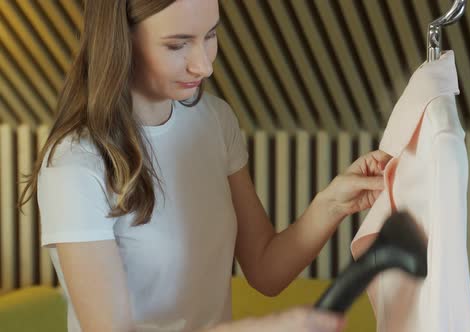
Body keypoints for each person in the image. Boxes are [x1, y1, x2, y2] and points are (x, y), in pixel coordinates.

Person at [18, 1, 392, 331]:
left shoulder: (213, 121)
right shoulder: (75, 166)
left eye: (210, 35)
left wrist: (333, 204)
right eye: (178, 44)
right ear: (120, 39)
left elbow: (265, 270)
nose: (204, 65)